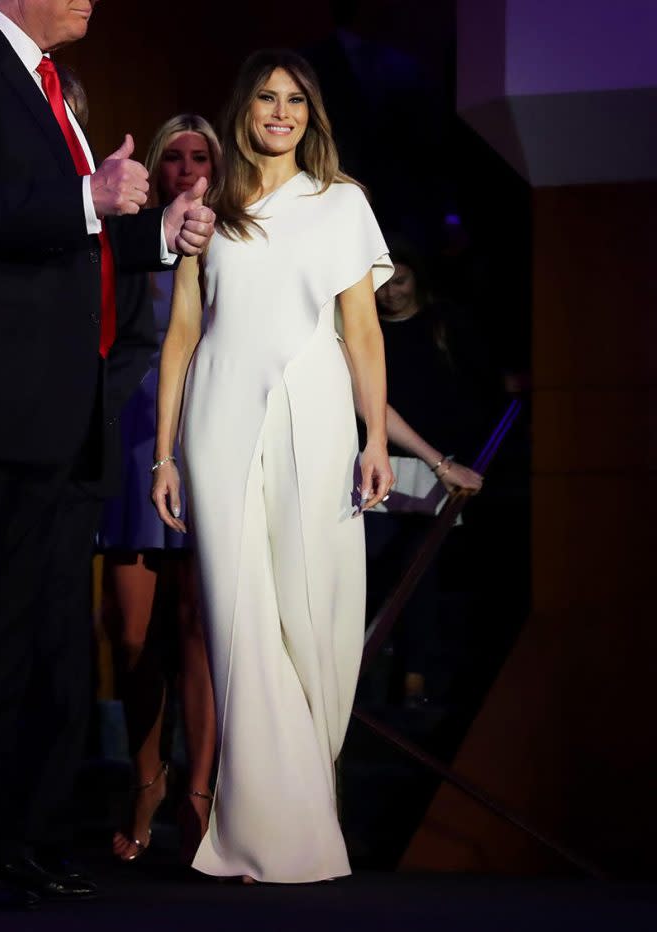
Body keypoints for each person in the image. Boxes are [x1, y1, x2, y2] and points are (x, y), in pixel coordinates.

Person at [0, 0, 214, 909]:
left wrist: (151, 235)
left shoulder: (50, 91)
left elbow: (63, 241)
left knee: (38, 646)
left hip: (57, 422)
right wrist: (86, 198)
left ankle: (22, 837)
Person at [152, 48, 395, 884]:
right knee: (237, 619)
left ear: (311, 115)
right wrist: (162, 453)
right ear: (245, 110)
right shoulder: (208, 206)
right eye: (267, 98)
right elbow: (182, 334)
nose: (281, 112)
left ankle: (304, 809)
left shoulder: (341, 203)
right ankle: (259, 833)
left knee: (310, 614)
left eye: (295, 100)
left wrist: (374, 437)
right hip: (217, 415)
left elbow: (362, 330)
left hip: (316, 412)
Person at [100, 115, 220, 864]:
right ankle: (147, 778)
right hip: (134, 446)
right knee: (133, 633)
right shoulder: (136, 242)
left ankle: (200, 791)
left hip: (209, 443)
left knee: (202, 632)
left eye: (198, 156)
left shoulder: (236, 242)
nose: (183, 168)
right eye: (171, 157)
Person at [363, 238, 490, 710]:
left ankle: (414, 672)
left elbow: (471, 388)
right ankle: (373, 663)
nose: (392, 293)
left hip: (434, 464)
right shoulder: (367, 330)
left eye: (401, 281)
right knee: (377, 564)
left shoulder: (442, 324)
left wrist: (454, 458)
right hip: (381, 462)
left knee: (420, 568)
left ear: (417, 278)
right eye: (383, 285)